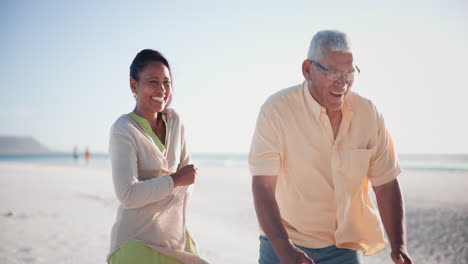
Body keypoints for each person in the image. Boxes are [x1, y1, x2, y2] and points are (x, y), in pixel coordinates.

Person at [249, 30, 412, 264]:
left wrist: (399, 246)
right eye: (334, 72)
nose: (343, 82)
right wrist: (284, 249)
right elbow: (263, 186)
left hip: (343, 247)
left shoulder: (368, 114)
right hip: (282, 242)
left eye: (349, 72)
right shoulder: (276, 110)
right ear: (307, 70)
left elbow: (386, 184)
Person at [107, 49, 207, 264]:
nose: (162, 89)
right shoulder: (124, 129)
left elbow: (187, 182)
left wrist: (174, 182)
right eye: (153, 81)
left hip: (174, 238)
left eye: (167, 82)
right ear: (134, 85)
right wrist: (174, 179)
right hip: (135, 243)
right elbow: (128, 195)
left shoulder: (175, 121)